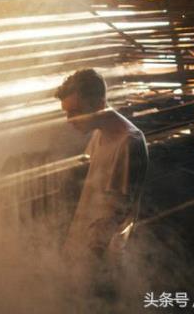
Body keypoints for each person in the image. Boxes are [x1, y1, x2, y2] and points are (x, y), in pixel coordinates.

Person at [55, 68, 148, 307]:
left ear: (99, 104)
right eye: (67, 113)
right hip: (84, 256)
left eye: (75, 112)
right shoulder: (99, 135)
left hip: (104, 262)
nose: (69, 120)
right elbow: (91, 196)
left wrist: (85, 268)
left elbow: (113, 216)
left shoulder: (129, 142)